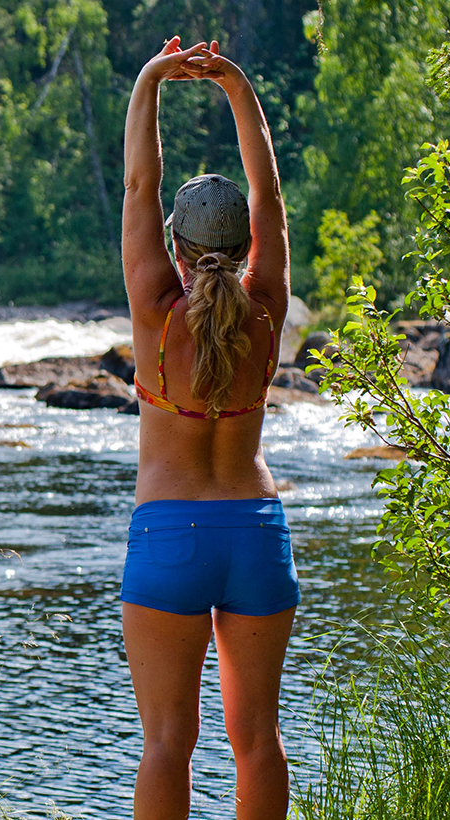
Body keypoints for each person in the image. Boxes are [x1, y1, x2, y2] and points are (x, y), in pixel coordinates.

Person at [118, 38, 296, 820]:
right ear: (245, 247)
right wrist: (236, 86)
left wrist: (153, 79)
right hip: (258, 533)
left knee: (166, 744)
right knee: (257, 738)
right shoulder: (266, 309)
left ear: (179, 249)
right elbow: (271, 194)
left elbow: (138, 183)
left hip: (170, 536)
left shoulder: (157, 310)